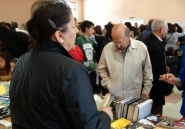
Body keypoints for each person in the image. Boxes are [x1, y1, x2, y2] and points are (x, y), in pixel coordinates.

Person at [9, 0, 113, 128]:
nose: (77, 32)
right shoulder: (72, 70)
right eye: (74, 27)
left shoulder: (22, 60)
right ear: (59, 35)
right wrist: (105, 116)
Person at [97, 23, 153, 100]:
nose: (118, 46)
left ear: (129, 36)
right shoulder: (108, 48)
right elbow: (101, 68)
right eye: (115, 42)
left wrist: (146, 91)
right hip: (114, 94)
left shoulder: (141, 47)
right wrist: (108, 83)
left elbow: (147, 71)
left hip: (134, 93)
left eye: (120, 42)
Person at [143, 19, 172, 115]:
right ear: (161, 29)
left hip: (150, 85)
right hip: (155, 88)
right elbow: (156, 71)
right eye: (167, 29)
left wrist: (164, 66)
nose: (167, 31)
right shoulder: (154, 45)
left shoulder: (149, 41)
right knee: (155, 115)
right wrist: (166, 89)